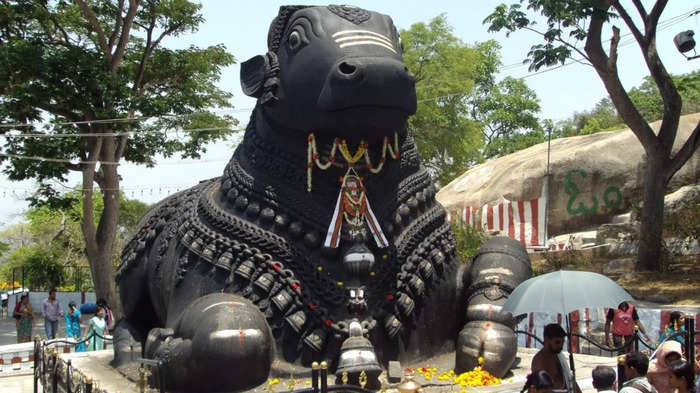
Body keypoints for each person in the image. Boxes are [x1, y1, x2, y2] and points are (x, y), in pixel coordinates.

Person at [531, 323, 582, 393]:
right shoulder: (539, 361)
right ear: (547, 339)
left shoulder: (559, 356)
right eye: (557, 342)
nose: (561, 346)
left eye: (562, 342)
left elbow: (570, 380)